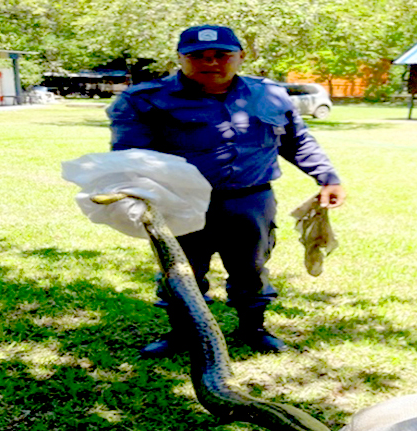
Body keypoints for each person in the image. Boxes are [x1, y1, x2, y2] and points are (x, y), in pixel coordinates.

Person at [106, 24, 346, 358]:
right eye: (198, 56)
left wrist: (327, 177)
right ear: (180, 58)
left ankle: (253, 329)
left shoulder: (270, 94)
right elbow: (130, 154)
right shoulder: (145, 99)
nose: (211, 62)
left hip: (250, 200)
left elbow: (297, 140)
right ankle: (182, 333)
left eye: (222, 54)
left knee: (251, 267)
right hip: (180, 202)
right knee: (180, 271)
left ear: (241, 57)